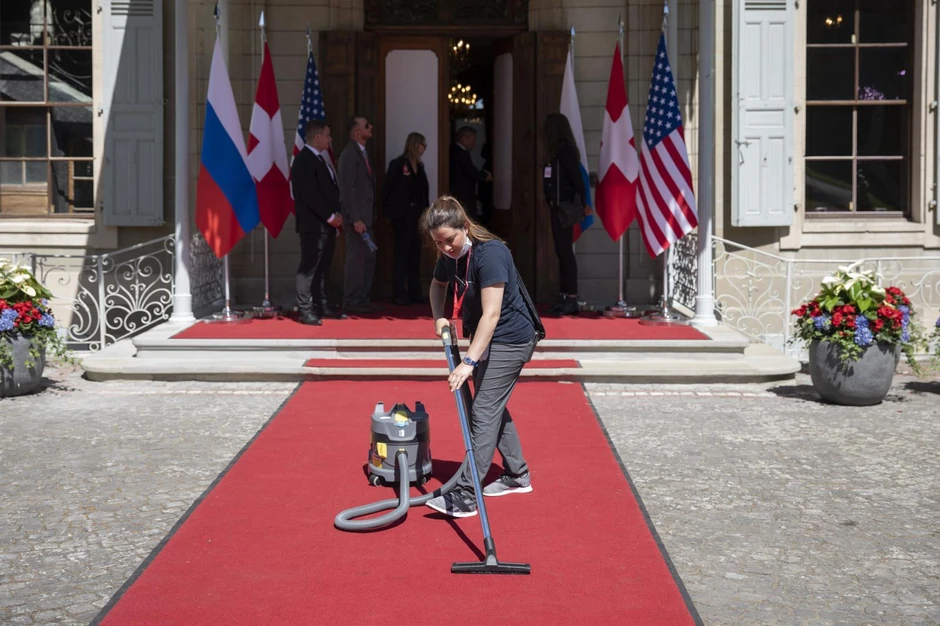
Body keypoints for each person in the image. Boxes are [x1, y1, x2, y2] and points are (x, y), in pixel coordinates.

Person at [421, 195, 537, 518]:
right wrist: (438, 318)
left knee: (483, 410)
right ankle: (517, 475)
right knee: (492, 405)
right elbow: (437, 285)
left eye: (449, 240)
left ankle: (468, 494)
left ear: (465, 227)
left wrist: (468, 362)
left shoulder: (491, 253)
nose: (445, 248)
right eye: (438, 243)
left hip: (511, 339)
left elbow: (492, 314)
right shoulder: (452, 255)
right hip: (487, 339)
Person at [291, 119, 344, 326]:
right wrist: (331, 217)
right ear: (318, 136)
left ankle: (322, 305)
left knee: (323, 268)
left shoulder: (320, 159)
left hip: (326, 226)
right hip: (313, 226)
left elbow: (329, 192)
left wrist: (335, 216)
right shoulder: (304, 160)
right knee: (309, 268)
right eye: (328, 135)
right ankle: (305, 309)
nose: (330, 139)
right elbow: (310, 195)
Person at [543, 113, 590, 316]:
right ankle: (563, 295)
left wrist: (584, 202)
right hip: (556, 207)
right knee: (561, 252)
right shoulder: (554, 151)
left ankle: (572, 297)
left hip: (566, 207)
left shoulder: (565, 150)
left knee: (566, 253)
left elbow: (576, 178)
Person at [382, 132, 430, 306]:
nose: (424, 148)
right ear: (415, 144)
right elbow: (387, 189)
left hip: (416, 215)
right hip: (401, 216)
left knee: (415, 254)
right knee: (401, 253)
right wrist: (388, 213)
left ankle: (415, 292)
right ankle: (398, 293)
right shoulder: (398, 165)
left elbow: (423, 193)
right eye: (422, 144)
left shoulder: (420, 167)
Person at [338, 116, 378, 314]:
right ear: (356, 133)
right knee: (356, 259)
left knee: (368, 257)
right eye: (366, 125)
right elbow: (348, 190)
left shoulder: (362, 153)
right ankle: (351, 299)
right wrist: (355, 218)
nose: (371, 127)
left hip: (367, 216)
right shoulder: (349, 155)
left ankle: (362, 297)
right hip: (358, 218)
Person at [449, 127, 491, 221]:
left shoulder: (453, 149)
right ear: (464, 138)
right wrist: (485, 175)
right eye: (473, 140)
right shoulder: (461, 153)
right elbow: (471, 172)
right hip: (463, 194)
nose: (474, 144)